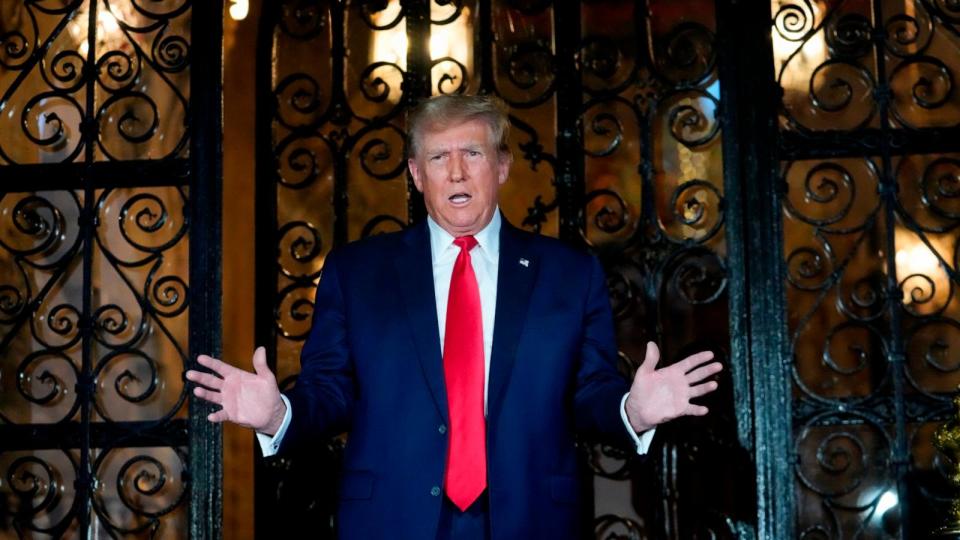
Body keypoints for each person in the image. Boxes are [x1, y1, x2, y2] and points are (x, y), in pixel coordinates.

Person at [186, 94, 721, 539]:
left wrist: (635, 410)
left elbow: (590, 391)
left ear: (503, 166)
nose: (458, 171)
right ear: (417, 174)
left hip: (532, 519)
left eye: (473, 152)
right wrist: (278, 414)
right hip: (391, 518)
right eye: (440, 157)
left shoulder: (569, 273)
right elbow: (331, 390)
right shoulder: (357, 272)